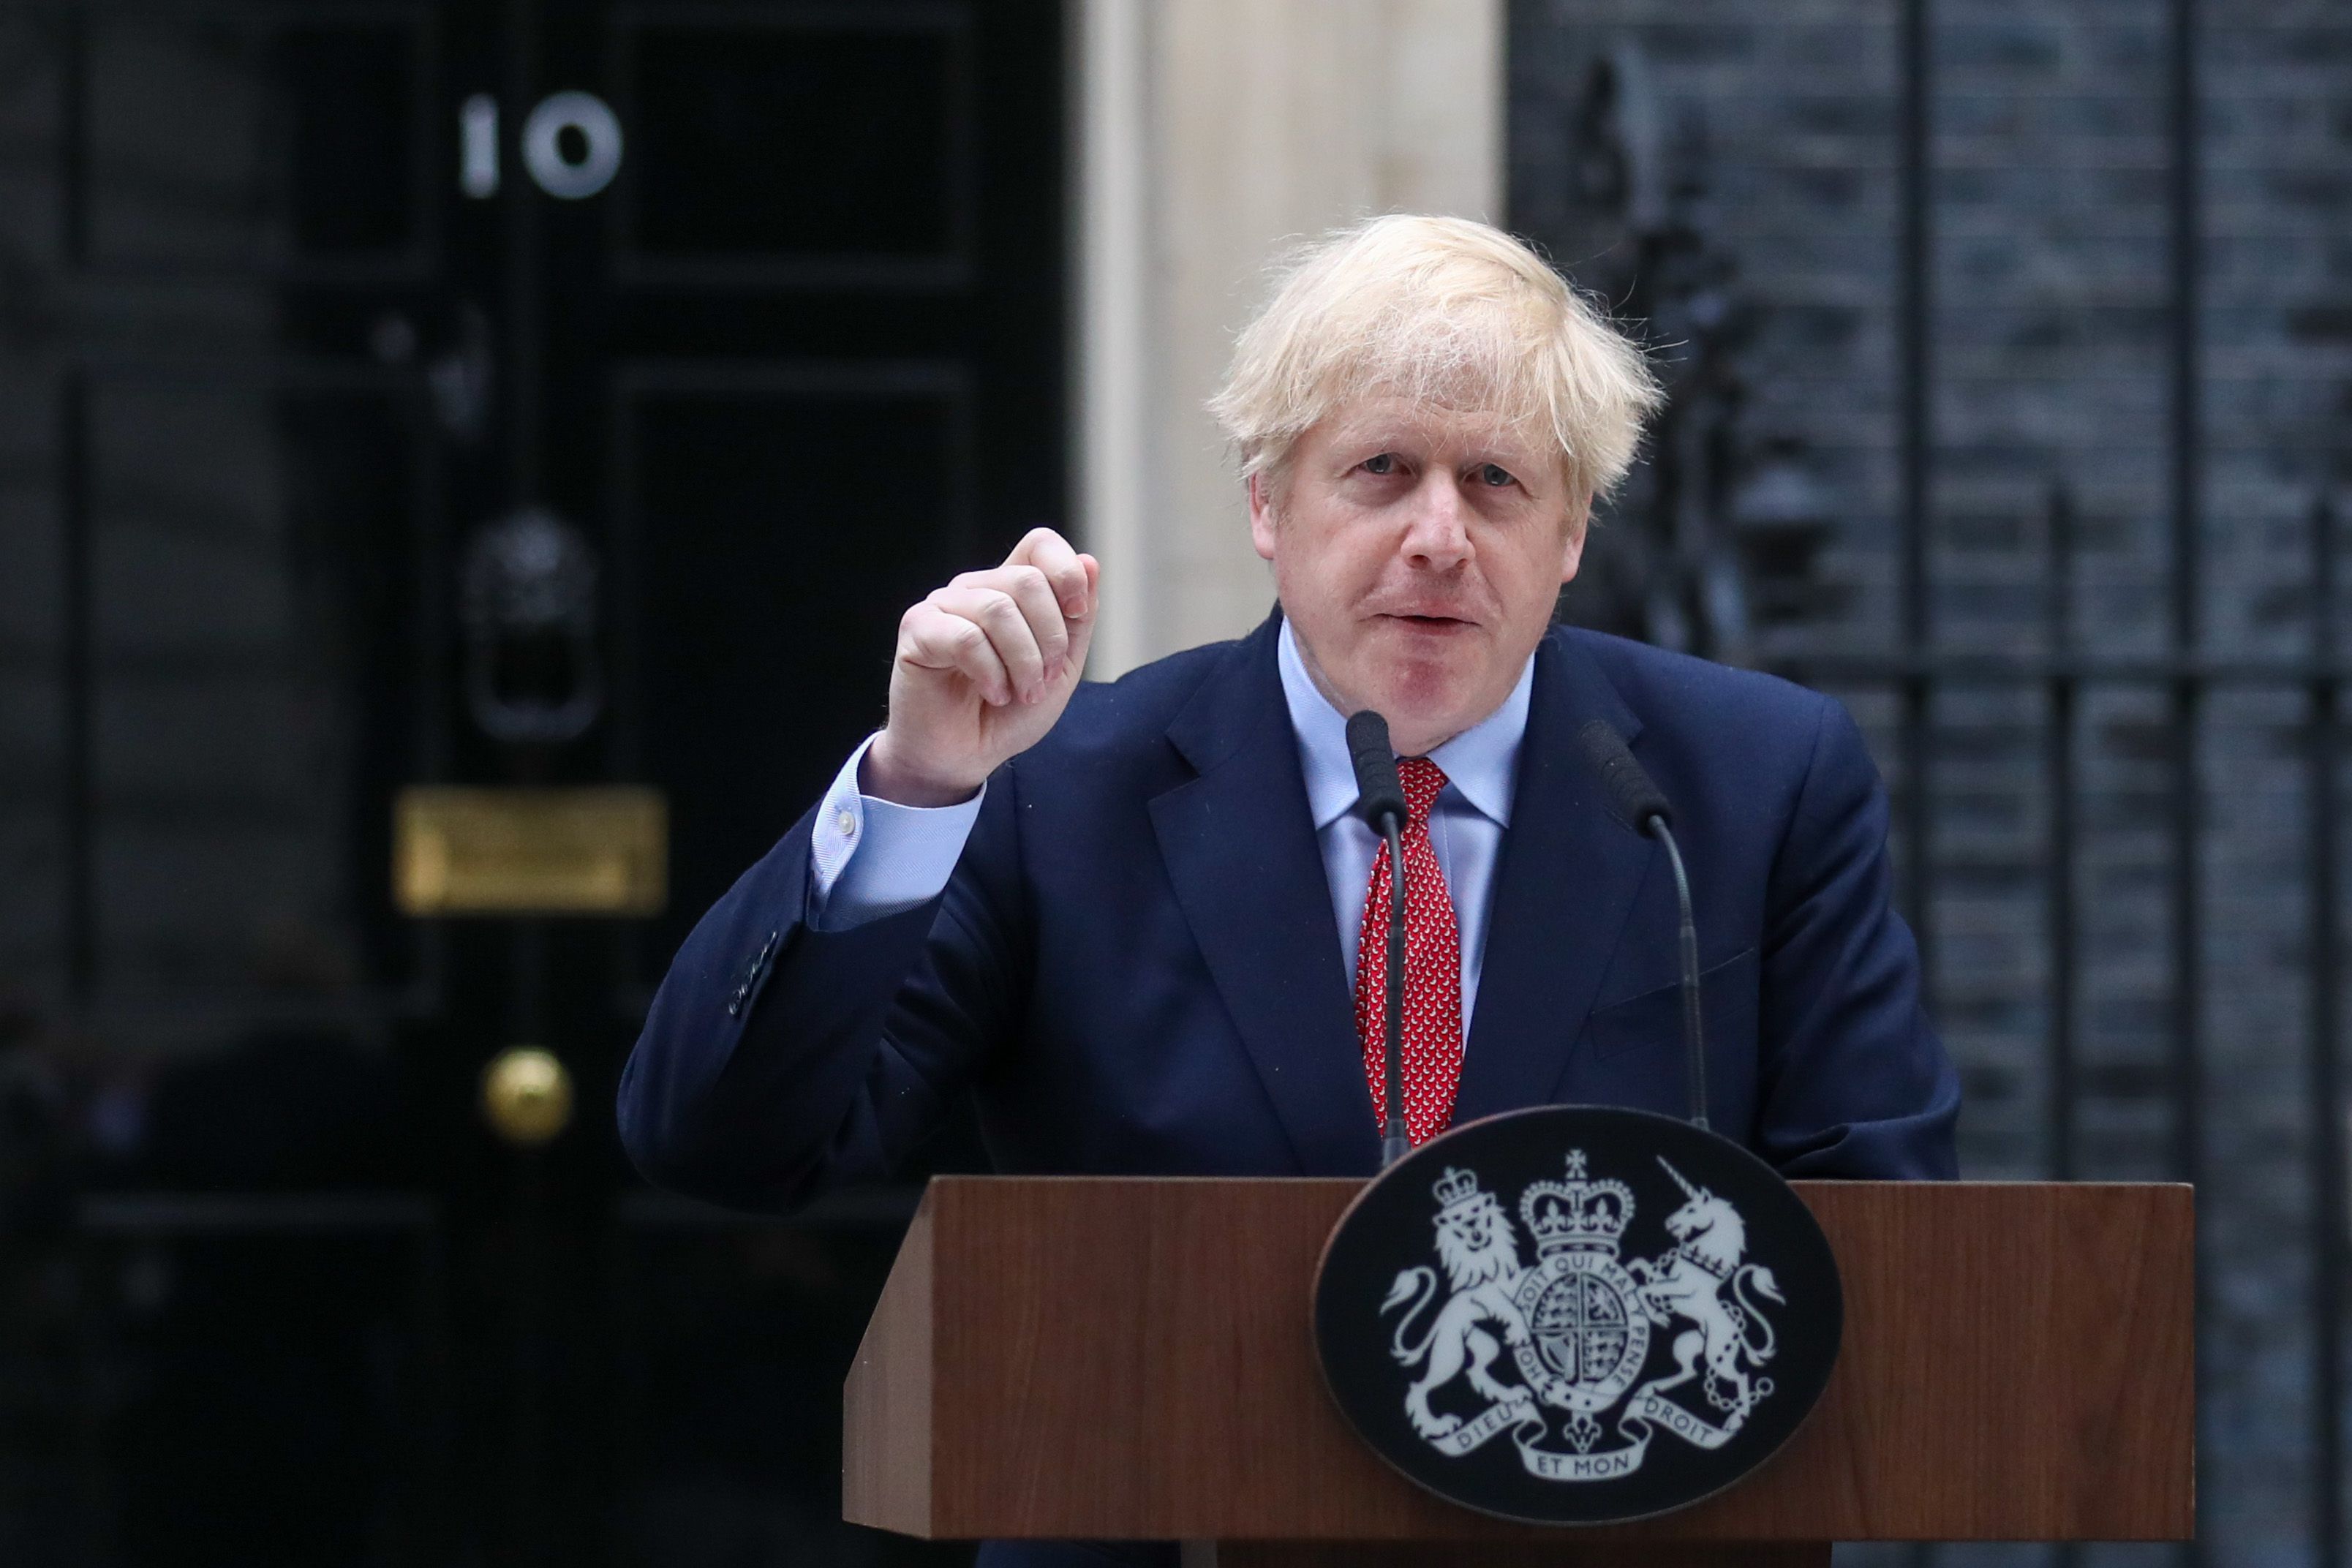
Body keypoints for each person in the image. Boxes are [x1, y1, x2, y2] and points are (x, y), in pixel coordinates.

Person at [618, 216, 1958, 1566]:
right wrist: (916, 787)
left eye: (1496, 480)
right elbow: (729, 1145)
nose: (1439, 536)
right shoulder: (1055, 790)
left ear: (1570, 532)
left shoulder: (1750, 785)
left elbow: (1890, 1244)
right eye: (1382, 471)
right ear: (1268, 504)